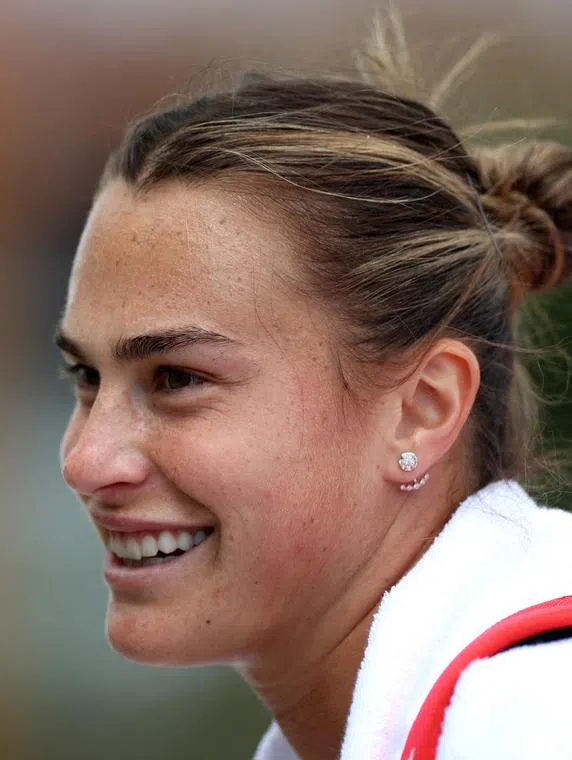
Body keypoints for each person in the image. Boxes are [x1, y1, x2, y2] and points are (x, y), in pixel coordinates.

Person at [54, 13, 572, 760]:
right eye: (85, 377)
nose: (86, 460)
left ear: (422, 410)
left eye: (177, 379)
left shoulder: (530, 721)